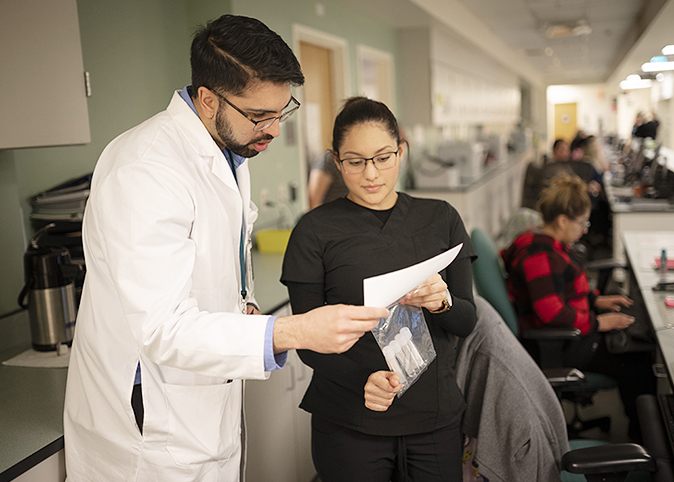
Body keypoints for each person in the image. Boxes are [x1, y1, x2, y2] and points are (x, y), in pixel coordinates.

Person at [63, 15, 388, 481]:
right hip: (150, 425)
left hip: (203, 402)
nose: (275, 129)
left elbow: (217, 264)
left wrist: (247, 308)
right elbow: (162, 328)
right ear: (208, 98)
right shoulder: (146, 168)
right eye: (260, 116)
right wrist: (289, 332)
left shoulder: (229, 148)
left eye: (282, 111)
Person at [281, 97, 477, 481]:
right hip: (349, 416)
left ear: (401, 152)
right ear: (336, 162)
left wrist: (443, 302)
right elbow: (304, 339)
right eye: (355, 161)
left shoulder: (441, 218)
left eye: (383, 157)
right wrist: (362, 381)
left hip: (432, 417)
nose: (371, 174)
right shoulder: (315, 230)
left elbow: (466, 321)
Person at [501, 173, 656, 440]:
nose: (585, 229)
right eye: (582, 222)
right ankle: (645, 442)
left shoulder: (549, 243)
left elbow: (563, 289)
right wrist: (598, 322)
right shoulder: (539, 255)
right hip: (559, 346)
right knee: (638, 361)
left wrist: (596, 301)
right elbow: (552, 312)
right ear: (562, 220)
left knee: (635, 342)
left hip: (568, 334)